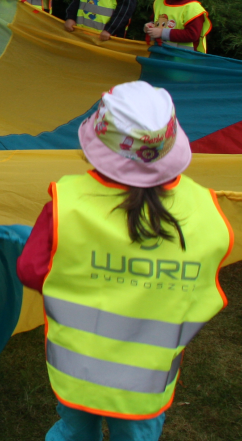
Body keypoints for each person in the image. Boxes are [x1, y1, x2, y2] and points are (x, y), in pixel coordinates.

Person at [16, 81, 231, 441]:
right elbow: (202, 281)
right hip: (147, 378)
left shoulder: (68, 204)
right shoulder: (205, 211)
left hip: (79, 369)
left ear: (96, 146)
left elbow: (31, 269)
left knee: (74, 431)